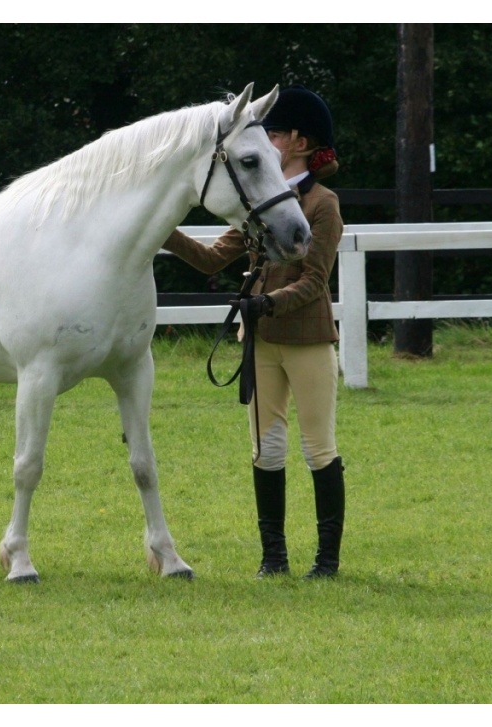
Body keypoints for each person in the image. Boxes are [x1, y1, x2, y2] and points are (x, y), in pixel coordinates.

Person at [163, 85, 346, 578]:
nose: (266, 139)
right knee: (265, 451)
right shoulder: (258, 202)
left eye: (276, 133)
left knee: (318, 447)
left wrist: (266, 302)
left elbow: (315, 282)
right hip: (261, 342)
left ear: (301, 143)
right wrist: (159, 226)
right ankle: (274, 559)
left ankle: (326, 562)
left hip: (306, 340)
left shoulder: (322, 204)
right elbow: (209, 258)